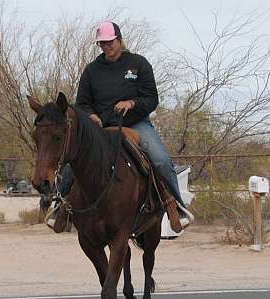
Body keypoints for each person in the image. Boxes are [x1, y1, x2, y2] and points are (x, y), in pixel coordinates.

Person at [47, 20, 191, 232]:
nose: (106, 46)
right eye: (102, 43)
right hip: (101, 128)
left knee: (160, 159)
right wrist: (91, 115)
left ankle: (176, 206)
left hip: (136, 124)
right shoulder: (91, 71)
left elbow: (151, 98)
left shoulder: (139, 64)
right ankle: (61, 206)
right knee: (73, 159)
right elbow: (82, 103)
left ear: (119, 39)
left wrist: (132, 103)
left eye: (109, 42)